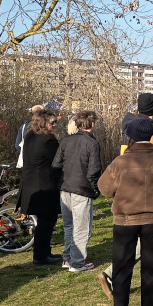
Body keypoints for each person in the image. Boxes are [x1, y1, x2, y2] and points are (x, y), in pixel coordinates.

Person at [98, 118, 153, 306]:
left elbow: (104, 188)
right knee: (152, 271)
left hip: (124, 222)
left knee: (122, 274)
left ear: (129, 136)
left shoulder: (120, 163)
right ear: (151, 136)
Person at [52, 110, 102, 272]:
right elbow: (94, 170)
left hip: (65, 187)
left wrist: (58, 183)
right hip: (81, 188)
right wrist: (95, 188)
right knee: (81, 227)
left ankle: (68, 257)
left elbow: (56, 165)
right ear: (92, 124)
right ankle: (78, 262)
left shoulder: (66, 140)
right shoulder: (92, 143)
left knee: (69, 226)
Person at [19, 108, 63, 266]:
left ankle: (45, 252)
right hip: (44, 185)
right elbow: (58, 161)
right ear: (43, 123)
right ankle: (40, 256)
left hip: (31, 184)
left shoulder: (30, 135)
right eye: (52, 122)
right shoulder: (48, 140)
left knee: (44, 222)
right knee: (46, 222)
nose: (55, 125)